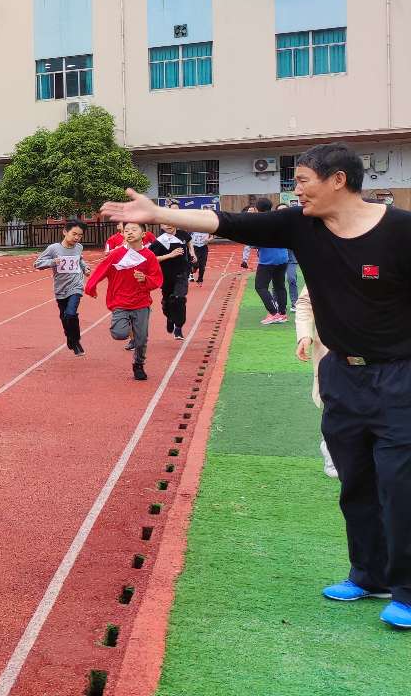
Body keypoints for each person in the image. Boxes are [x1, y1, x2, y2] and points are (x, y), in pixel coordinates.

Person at [100, 142, 411, 630]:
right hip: (341, 377)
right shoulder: (300, 224)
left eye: (304, 179)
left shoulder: (401, 231)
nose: (296, 189)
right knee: (356, 482)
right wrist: (158, 211)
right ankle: (368, 574)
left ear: (338, 180)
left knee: (400, 485)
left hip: (399, 376)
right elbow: (227, 223)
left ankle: (407, 590)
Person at [85, 221, 163, 381]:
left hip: (141, 303)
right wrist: (91, 287)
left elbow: (157, 279)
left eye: (134, 229)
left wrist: (145, 279)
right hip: (120, 301)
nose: (129, 232)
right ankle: (129, 327)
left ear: (143, 234)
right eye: (126, 230)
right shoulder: (116, 254)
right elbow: (101, 270)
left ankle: (138, 364)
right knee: (119, 334)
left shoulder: (149, 256)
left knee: (141, 340)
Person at [293, 285, 335, 479]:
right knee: (334, 403)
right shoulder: (329, 258)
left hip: (383, 355)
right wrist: (305, 335)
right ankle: (331, 449)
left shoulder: (388, 257)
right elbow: (305, 301)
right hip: (334, 353)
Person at [34, 220, 88, 356]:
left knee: (70, 313)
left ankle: (75, 340)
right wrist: (52, 262)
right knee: (65, 316)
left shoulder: (79, 247)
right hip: (60, 288)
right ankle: (70, 337)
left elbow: (80, 260)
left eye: (80, 235)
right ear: (65, 232)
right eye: (74, 234)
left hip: (76, 285)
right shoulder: (54, 249)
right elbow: (37, 264)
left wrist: (85, 267)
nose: (76, 238)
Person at [149, 207, 193, 340]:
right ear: (161, 225)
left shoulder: (182, 235)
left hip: (182, 273)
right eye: (165, 223)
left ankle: (178, 327)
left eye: (170, 221)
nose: (168, 225)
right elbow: (151, 259)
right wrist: (170, 255)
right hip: (166, 276)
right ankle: (169, 317)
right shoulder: (159, 241)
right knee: (168, 302)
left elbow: (189, 245)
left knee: (179, 298)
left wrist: (192, 255)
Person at [249, 200, 290, 324]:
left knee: (260, 286)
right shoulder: (279, 219)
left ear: (257, 209)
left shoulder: (259, 222)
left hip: (268, 260)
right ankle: (282, 313)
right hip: (283, 257)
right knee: (279, 286)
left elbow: (254, 243)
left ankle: (274, 313)